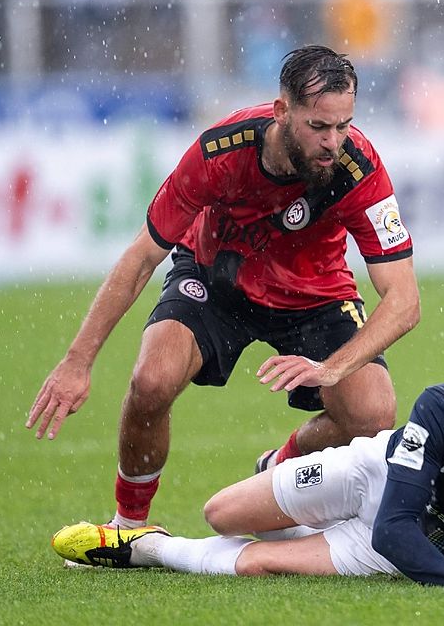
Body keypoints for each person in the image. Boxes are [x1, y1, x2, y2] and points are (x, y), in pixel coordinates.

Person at [26, 45, 421, 530]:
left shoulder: (358, 168)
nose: (332, 142)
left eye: (343, 126)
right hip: (215, 279)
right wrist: (77, 362)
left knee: (372, 414)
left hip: (315, 296)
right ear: (281, 111)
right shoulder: (220, 151)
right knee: (151, 380)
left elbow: (404, 301)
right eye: (318, 127)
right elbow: (140, 258)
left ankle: (280, 466)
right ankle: (128, 526)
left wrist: (331, 368)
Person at [52, 361, 444, 586]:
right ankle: (283, 477)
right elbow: (393, 524)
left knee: (258, 562)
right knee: (221, 513)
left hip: (401, 549)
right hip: (376, 479)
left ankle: (152, 548)